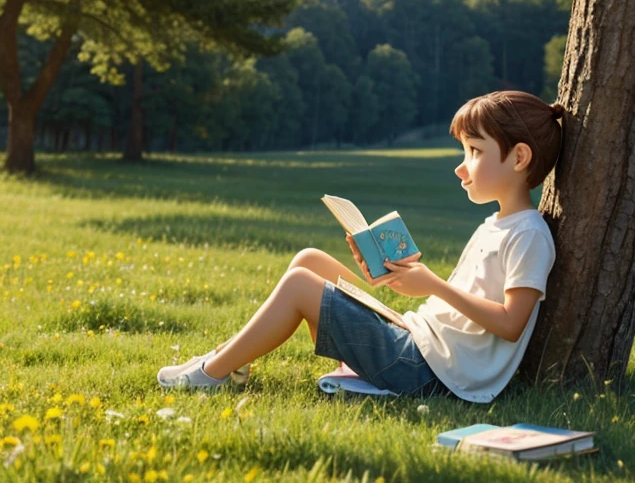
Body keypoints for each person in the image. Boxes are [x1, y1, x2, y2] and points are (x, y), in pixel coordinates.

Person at [157, 90, 563, 403]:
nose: (461, 166)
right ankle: (232, 357)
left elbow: (511, 324)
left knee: (301, 285)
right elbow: (455, 309)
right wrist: (396, 275)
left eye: (474, 152)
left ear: (519, 157)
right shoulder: (497, 224)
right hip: (419, 341)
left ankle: (213, 373)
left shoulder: (528, 234)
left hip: (429, 372)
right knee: (311, 261)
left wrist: (433, 285)